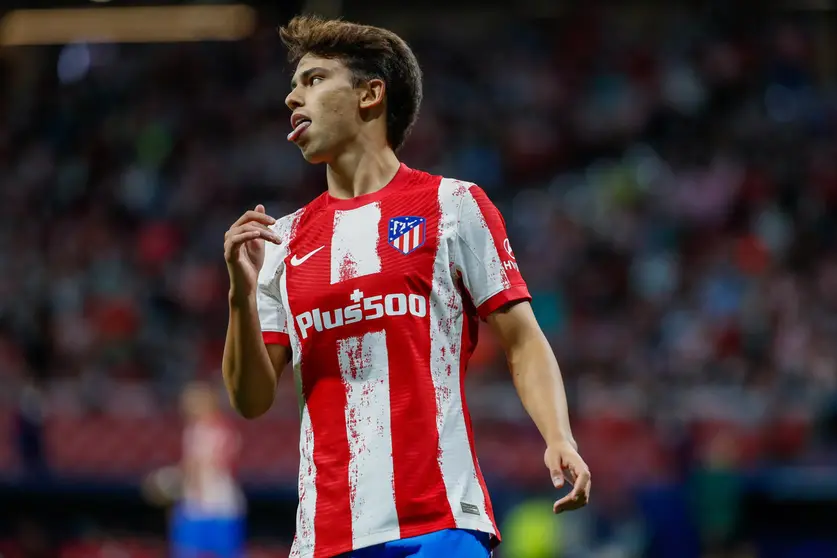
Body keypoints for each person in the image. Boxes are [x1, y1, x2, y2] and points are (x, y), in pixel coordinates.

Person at [221, 14, 591, 558]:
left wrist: (559, 436)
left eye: (314, 80)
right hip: (326, 539)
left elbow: (522, 339)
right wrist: (239, 293)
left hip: (440, 523)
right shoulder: (284, 239)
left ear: (371, 94)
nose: (290, 98)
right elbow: (251, 400)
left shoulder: (454, 207)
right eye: (294, 83)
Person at [144, 382, 245, 558]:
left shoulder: (206, 431)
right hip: (215, 503)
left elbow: (197, 467)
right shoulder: (212, 429)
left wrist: (170, 481)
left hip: (210, 504)